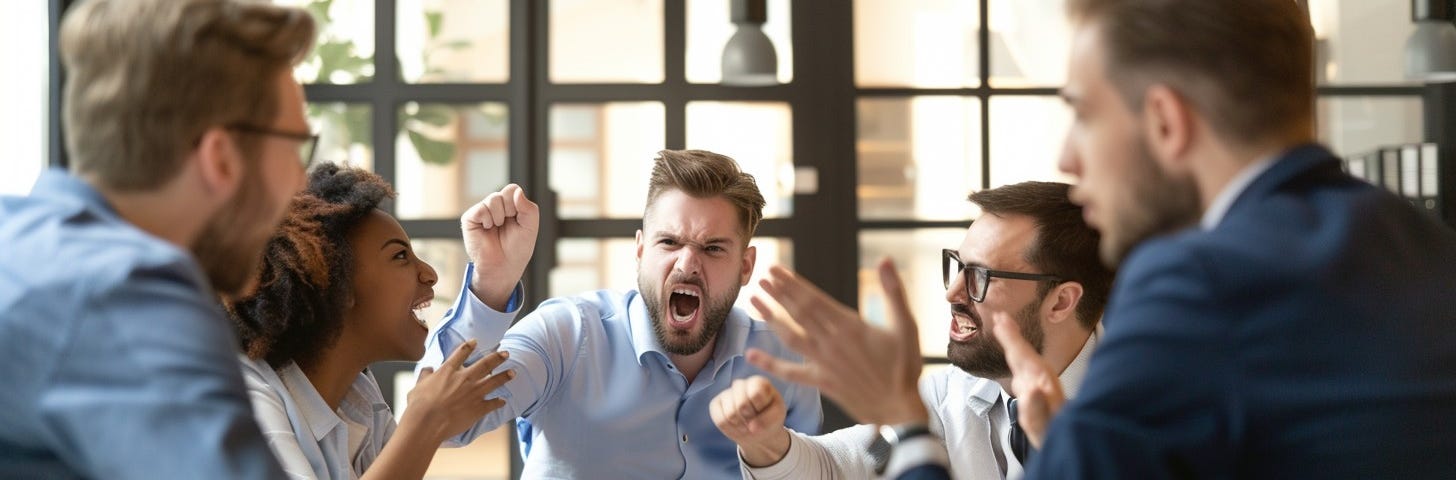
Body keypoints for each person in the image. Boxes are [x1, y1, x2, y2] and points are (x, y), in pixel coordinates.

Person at [757, 0, 1456, 478]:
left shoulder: (1198, 284)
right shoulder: (1419, 243)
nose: (1068, 158)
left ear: (1165, 123)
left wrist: (904, 420)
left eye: (1084, 114)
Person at [0, 0, 316, 477]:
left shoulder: (21, 243)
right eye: (295, 148)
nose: (299, 183)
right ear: (221, 157)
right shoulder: (122, 292)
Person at [416, 149, 822, 479]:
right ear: (641, 250)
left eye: (713, 248)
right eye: (669, 242)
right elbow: (443, 424)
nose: (686, 265)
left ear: (746, 266)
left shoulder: (783, 359)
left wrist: (770, 450)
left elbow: (820, 472)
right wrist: (491, 283)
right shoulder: (567, 334)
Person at [714, 182, 1113, 480]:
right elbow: (838, 466)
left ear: (1060, 302)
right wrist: (765, 442)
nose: (952, 293)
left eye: (979, 276)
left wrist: (906, 418)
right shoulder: (948, 395)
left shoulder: (1145, 410)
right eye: (958, 266)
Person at [223, 165, 530, 479]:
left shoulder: (359, 399)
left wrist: (493, 277)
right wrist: (422, 424)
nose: (429, 274)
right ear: (337, 286)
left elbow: (447, 386)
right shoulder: (247, 409)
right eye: (400, 256)